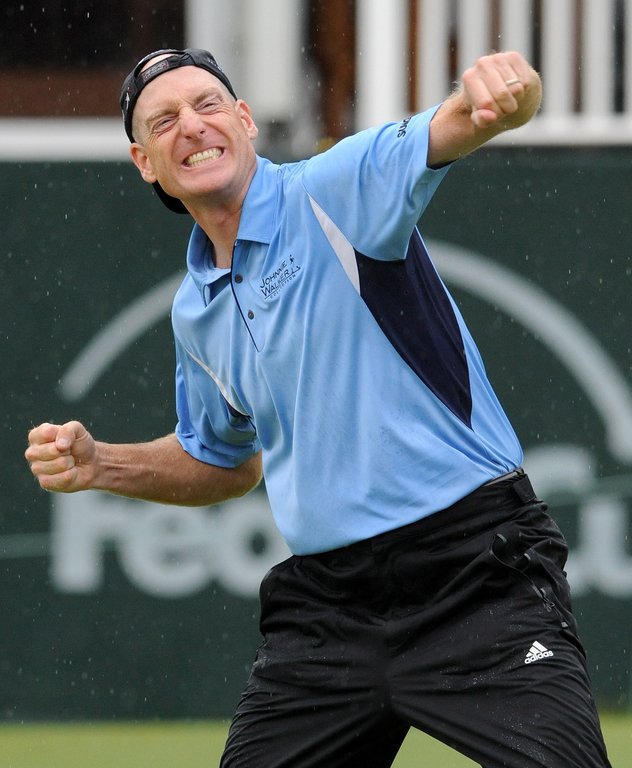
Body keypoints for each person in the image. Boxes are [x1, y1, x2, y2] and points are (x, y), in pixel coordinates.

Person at [25, 47, 612, 768]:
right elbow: (225, 464)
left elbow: (468, 118)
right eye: (164, 120)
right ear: (145, 162)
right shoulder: (194, 312)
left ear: (245, 120)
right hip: (329, 610)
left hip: (474, 573)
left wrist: (509, 94)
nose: (192, 126)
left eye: (208, 105)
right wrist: (100, 465)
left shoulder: (334, 187)